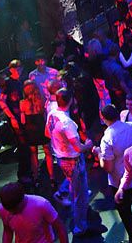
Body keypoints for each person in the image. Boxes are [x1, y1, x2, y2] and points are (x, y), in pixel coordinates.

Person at [45, 89, 97, 237]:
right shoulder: (67, 123)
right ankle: (80, 228)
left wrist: (60, 142)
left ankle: (64, 196)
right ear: (71, 100)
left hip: (61, 158)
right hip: (72, 161)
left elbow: (47, 134)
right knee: (79, 197)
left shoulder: (52, 114)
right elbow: (79, 148)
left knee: (76, 190)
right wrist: (88, 144)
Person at [92, 105, 132, 242]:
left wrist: (98, 153)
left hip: (119, 182)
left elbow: (108, 168)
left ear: (103, 118)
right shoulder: (131, 127)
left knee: (125, 212)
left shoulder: (107, 138)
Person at [0, 182, 68, 243]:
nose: (12, 213)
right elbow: (7, 230)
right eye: (10, 210)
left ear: (22, 200)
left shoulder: (41, 204)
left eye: (15, 210)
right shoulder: (3, 208)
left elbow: (60, 228)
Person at [20, 80, 51, 186]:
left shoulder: (22, 103)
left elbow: (23, 121)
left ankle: (36, 177)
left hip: (30, 131)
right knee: (48, 152)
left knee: (34, 153)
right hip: (42, 128)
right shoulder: (42, 100)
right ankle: (52, 177)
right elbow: (45, 115)